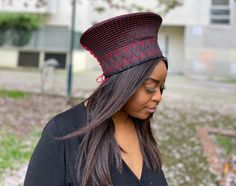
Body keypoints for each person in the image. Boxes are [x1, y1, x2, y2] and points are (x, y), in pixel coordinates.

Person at [24, 12, 169, 186]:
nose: (158, 97)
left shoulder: (140, 128)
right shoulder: (63, 132)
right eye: (150, 88)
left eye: (161, 88)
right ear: (123, 85)